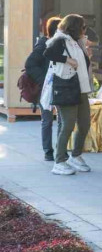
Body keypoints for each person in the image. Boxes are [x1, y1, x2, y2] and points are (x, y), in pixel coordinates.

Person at [43, 14, 93, 176]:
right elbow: (48, 54)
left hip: (80, 88)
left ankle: (75, 155)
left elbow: (83, 63)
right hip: (66, 87)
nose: (84, 30)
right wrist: (67, 60)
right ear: (74, 27)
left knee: (85, 123)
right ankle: (59, 161)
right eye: (83, 27)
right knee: (68, 125)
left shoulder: (75, 42)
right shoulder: (60, 39)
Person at [27, 16, 61, 161]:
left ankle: (60, 150)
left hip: (59, 87)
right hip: (46, 88)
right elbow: (30, 64)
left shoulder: (59, 44)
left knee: (61, 120)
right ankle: (48, 151)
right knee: (47, 120)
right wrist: (44, 80)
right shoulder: (43, 45)